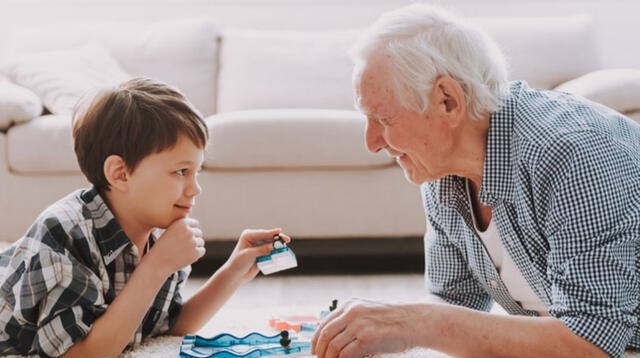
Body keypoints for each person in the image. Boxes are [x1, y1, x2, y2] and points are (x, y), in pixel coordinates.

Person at [312, 4, 639, 358]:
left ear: (448, 101)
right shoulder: (442, 171)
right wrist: (386, 329)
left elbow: (591, 344)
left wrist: (415, 322)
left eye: (383, 118)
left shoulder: (571, 154)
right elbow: (453, 302)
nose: (372, 142)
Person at [0, 78, 290, 357]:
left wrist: (233, 271)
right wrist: (155, 267)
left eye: (196, 171)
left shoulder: (159, 231)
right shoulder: (66, 232)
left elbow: (170, 326)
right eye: (181, 172)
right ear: (120, 174)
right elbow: (79, 354)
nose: (195, 188)